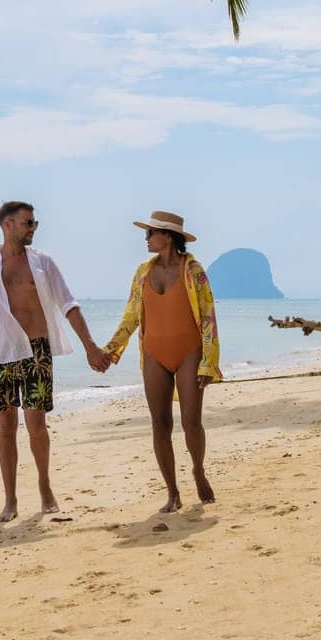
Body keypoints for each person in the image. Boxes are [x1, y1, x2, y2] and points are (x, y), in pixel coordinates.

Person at [0, 200, 112, 522]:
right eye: (28, 223)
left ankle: (44, 487)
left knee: (36, 424)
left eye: (34, 223)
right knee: (5, 427)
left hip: (36, 351)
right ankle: (10, 500)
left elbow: (69, 304)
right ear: (8, 225)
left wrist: (89, 346)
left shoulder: (43, 264)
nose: (33, 228)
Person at [105, 208, 222, 514]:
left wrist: (209, 362)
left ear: (167, 238)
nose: (146, 239)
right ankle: (172, 492)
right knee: (159, 424)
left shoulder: (193, 270)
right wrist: (112, 349)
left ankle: (198, 469)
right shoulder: (143, 271)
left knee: (191, 422)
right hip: (154, 353)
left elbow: (208, 317)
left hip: (189, 353)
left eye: (150, 233)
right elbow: (131, 314)